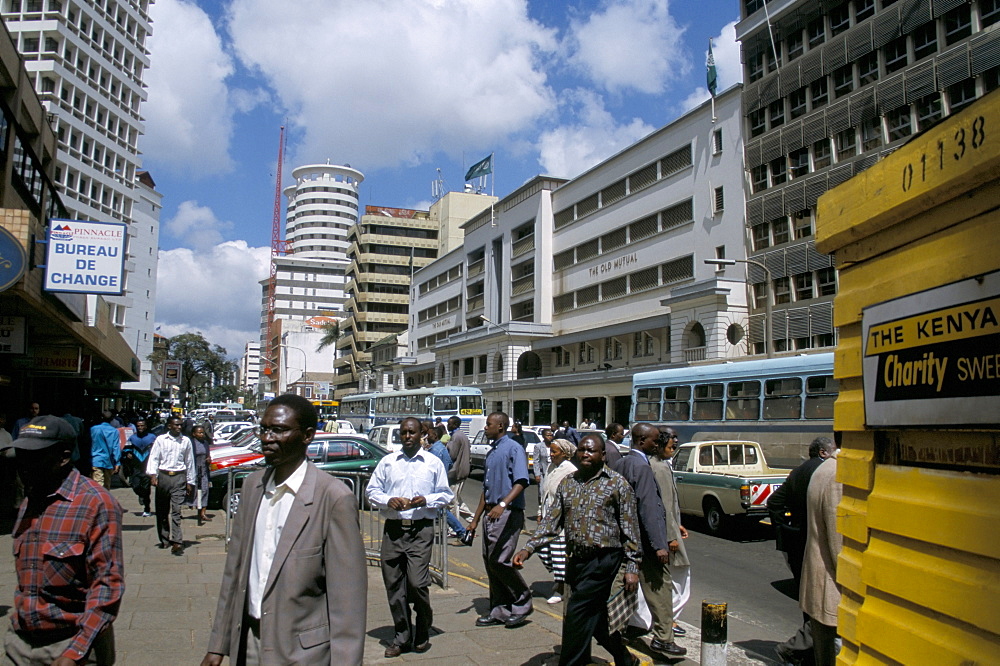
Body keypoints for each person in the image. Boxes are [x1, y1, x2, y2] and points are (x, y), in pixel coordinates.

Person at [202, 394, 367, 666]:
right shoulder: (252, 487)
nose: (267, 438)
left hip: (303, 653)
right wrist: (218, 644)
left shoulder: (333, 498)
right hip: (249, 643)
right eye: (264, 429)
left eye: (279, 430)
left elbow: (347, 601)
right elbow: (235, 572)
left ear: (307, 436)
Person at [514, 434, 641, 666]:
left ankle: (570, 662)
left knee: (576, 613)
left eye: (591, 451)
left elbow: (630, 529)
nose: (585, 454)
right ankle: (624, 657)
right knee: (597, 619)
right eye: (582, 449)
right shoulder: (568, 483)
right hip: (577, 560)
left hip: (604, 560)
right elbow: (551, 522)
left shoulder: (617, 484)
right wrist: (528, 548)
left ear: (602, 455)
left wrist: (632, 566)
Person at [6, 415, 123, 665]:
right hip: (21, 642)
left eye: (34, 457)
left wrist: (75, 651)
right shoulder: (31, 499)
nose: (24, 465)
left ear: (63, 457)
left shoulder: (96, 504)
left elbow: (106, 585)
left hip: (72, 645)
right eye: (21, 456)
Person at [366, 417, 453, 658]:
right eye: (403, 432)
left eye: (412, 432)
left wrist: (427, 499)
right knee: (394, 585)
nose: (407, 436)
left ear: (421, 435)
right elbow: (372, 491)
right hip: (394, 530)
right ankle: (402, 636)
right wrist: (387, 500)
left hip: (421, 530)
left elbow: (446, 495)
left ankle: (423, 626)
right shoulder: (388, 462)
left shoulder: (433, 463)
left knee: (417, 582)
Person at [613, 423, 686, 658]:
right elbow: (650, 509)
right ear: (641, 441)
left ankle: (617, 630)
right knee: (659, 587)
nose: (658, 444)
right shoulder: (642, 467)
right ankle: (664, 637)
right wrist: (660, 544)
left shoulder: (622, 463)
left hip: (625, 540)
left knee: (625, 586)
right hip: (644, 542)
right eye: (655, 441)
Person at [770, 436, 838, 665]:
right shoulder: (828, 473)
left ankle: (806, 652)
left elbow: (774, 502)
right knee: (823, 608)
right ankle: (797, 649)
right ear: (822, 452)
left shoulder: (798, 472)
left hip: (800, 543)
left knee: (810, 601)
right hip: (819, 545)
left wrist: (786, 530)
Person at [467, 412, 533, 628]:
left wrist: (503, 504)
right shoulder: (493, 451)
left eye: (489, 425)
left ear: (501, 427)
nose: (485, 428)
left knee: (499, 560)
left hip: (507, 512)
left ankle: (522, 601)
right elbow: (486, 491)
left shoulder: (513, 448)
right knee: (490, 562)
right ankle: (500, 610)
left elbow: (522, 481)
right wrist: (475, 519)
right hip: (490, 513)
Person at [801, 455, 842, 666]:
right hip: (832, 585)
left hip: (820, 582)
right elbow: (839, 542)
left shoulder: (824, 467)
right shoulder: (838, 473)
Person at [652, 427, 690, 637]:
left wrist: (677, 524)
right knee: (679, 579)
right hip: (667, 534)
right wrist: (671, 536)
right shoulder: (660, 468)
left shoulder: (662, 465)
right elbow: (664, 505)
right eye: (670, 446)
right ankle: (669, 620)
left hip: (672, 527)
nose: (673, 449)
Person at [146, 416, 195, 555]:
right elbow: (154, 458)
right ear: (169, 426)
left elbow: (190, 462)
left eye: (180, 425)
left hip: (179, 477)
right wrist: (153, 475)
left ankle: (177, 541)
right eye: (176, 425)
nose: (179, 427)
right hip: (163, 477)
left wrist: (190, 481)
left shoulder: (186, 441)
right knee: (162, 511)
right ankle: (164, 538)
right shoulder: (161, 440)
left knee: (176, 510)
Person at [537, 438, 577, 604]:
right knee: (542, 548)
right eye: (550, 451)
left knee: (559, 553)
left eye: (555, 452)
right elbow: (545, 492)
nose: (551, 455)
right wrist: (540, 511)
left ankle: (561, 587)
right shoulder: (551, 467)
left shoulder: (570, 470)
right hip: (547, 515)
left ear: (565, 454)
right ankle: (566, 580)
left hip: (561, 519)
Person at [123, 418, 156, 515]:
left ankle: (147, 508)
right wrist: (128, 453)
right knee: (135, 485)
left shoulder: (152, 437)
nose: (140, 428)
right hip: (135, 466)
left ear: (146, 426)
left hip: (147, 466)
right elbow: (126, 449)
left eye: (142, 426)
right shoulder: (132, 438)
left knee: (146, 488)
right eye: (138, 426)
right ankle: (140, 495)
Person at [445, 416, 472, 520]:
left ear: (455, 425)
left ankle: (454, 528)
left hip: (457, 472)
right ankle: (472, 519)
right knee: (457, 499)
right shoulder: (461, 435)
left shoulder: (456, 436)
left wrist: (447, 446)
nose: (448, 425)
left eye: (449, 423)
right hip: (461, 470)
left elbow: (452, 454)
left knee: (452, 501)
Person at [89, 411, 120, 489]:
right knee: (107, 484)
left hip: (96, 460)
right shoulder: (114, 431)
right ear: (112, 419)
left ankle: (100, 499)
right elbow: (116, 448)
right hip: (109, 461)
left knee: (98, 483)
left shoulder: (93, 429)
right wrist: (117, 462)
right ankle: (105, 499)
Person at [189, 425, 213, 525]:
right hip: (193, 469)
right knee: (192, 491)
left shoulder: (205, 443)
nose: (201, 434)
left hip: (203, 469)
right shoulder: (191, 443)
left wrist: (209, 459)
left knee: (204, 490)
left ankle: (202, 513)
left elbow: (207, 454)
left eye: (202, 432)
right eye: (199, 432)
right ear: (194, 434)